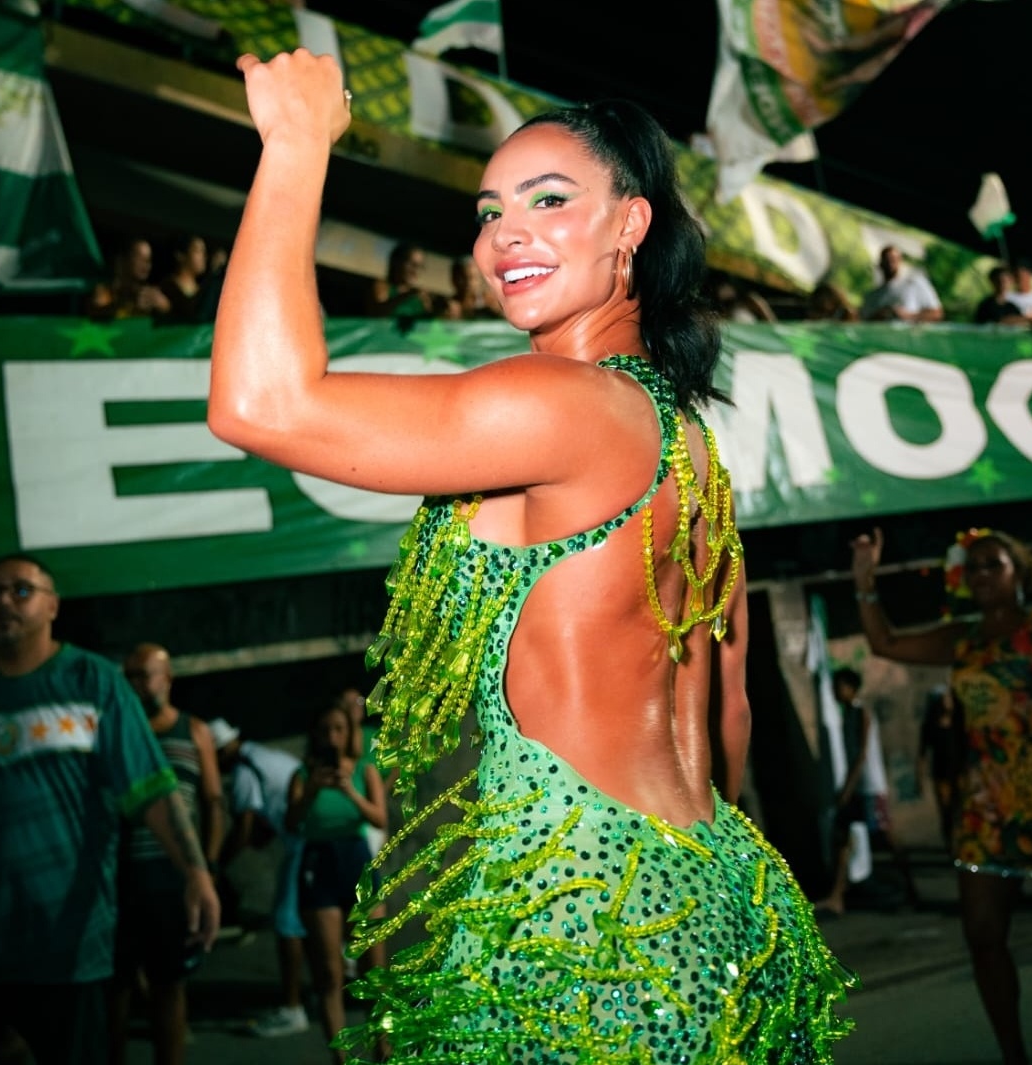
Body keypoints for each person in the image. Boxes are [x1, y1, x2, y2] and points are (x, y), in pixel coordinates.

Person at [208, 50, 853, 1062]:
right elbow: (727, 709)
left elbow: (259, 402)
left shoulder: (563, 403)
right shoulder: (678, 431)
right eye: (487, 209)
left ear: (630, 224)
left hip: (585, 924)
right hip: (708, 888)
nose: (505, 232)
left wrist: (294, 144)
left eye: (549, 200)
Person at [0, 554, 220, 1065]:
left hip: (69, 949)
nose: (3, 601)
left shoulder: (95, 682)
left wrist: (195, 870)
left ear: (53, 606)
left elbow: (150, 789)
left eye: (22, 590)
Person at [852, 526, 1032, 1065]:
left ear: (1019, 572)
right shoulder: (963, 639)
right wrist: (866, 580)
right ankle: (1014, 1055)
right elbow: (885, 642)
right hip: (985, 804)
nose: (980, 575)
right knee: (983, 936)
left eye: (992, 565)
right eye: (973, 567)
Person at [108, 643, 225, 1065]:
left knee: (169, 981)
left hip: (172, 874)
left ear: (168, 678)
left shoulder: (192, 731)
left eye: (144, 675)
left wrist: (206, 866)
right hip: (119, 873)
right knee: (114, 985)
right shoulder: (115, 731)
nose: (136, 684)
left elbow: (212, 801)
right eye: (130, 676)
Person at [284, 700, 388, 1062]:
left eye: (339, 729)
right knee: (329, 973)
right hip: (319, 865)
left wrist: (349, 792)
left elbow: (378, 818)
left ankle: (383, 1049)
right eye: (325, 729)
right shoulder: (301, 775)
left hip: (356, 861)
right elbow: (291, 821)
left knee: (373, 971)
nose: (332, 736)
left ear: (350, 734)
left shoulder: (364, 770)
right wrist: (312, 789)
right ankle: (341, 1058)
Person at [211, 718, 311, 1039]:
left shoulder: (243, 770)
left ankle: (293, 1009)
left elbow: (245, 824)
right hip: (320, 838)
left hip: (304, 844)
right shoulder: (267, 756)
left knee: (286, 923)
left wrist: (216, 862)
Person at [815, 667, 918, 917]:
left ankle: (912, 888)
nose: (836, 692)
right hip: (858, 788)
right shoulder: (848, 714)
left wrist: (847, 789)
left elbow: (861, 756)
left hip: (870, 787)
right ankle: (837, 896)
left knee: (887, 838)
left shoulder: (862, 714)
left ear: (851, 688)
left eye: (840, 686)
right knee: (843, 837)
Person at [916, 684, 961, 850]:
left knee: (959, 811)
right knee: (946, 811)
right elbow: (922, 754)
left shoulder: (959, 723)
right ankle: (950, 845)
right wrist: (919, 777)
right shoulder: (931, 725)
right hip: (941, 773)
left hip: (959, 773)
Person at [84, 236, 172, 322]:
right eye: (139, 258)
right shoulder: (105, 290)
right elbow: (95, 314)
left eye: (149, 259)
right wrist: (123, 304)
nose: (146, 264)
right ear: (123, 260)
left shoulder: (150, 293)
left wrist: (164, 306)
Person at [362, 240, 442, 326]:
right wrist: (406, 295)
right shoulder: (382, 286)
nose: (415, 271)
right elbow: (378, 314)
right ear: (397, 262)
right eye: (411, 264)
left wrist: (438, 311)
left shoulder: (422, 296)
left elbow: (427, 325)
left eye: (419, 266)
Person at [860, 244, 944, 322]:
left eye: (893, 259)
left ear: (900, 261)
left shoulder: (915, 283)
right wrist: (881, 315)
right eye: (886, 260)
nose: (890, 263)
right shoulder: (872, 296)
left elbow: (936, 313)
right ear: (880, 264)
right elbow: (862, 321)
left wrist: (908, 316)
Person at [440, 254, 504, 320]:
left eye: (472, 278)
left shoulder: (491, 302)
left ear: (480, 279)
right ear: (454, 279)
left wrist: (498, 312)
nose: (468, 283)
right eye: (463, 278)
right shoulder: (449, 307)